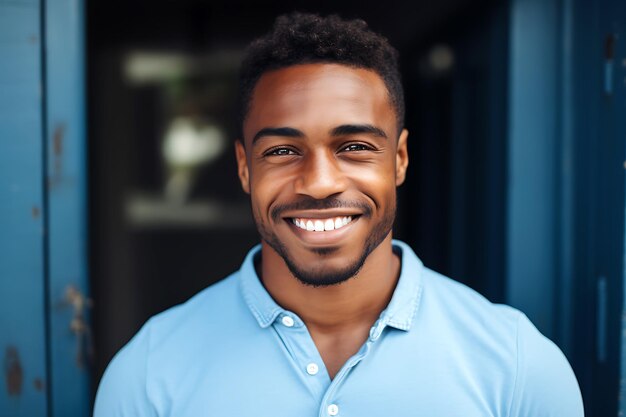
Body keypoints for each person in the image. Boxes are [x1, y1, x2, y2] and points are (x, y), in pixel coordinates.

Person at [94, 12, 584, 417]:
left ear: (400, 160)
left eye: (353, 147)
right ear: (244, 168)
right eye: (283, 151)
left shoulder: (520, 369)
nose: (320, 182)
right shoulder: (148, 374)